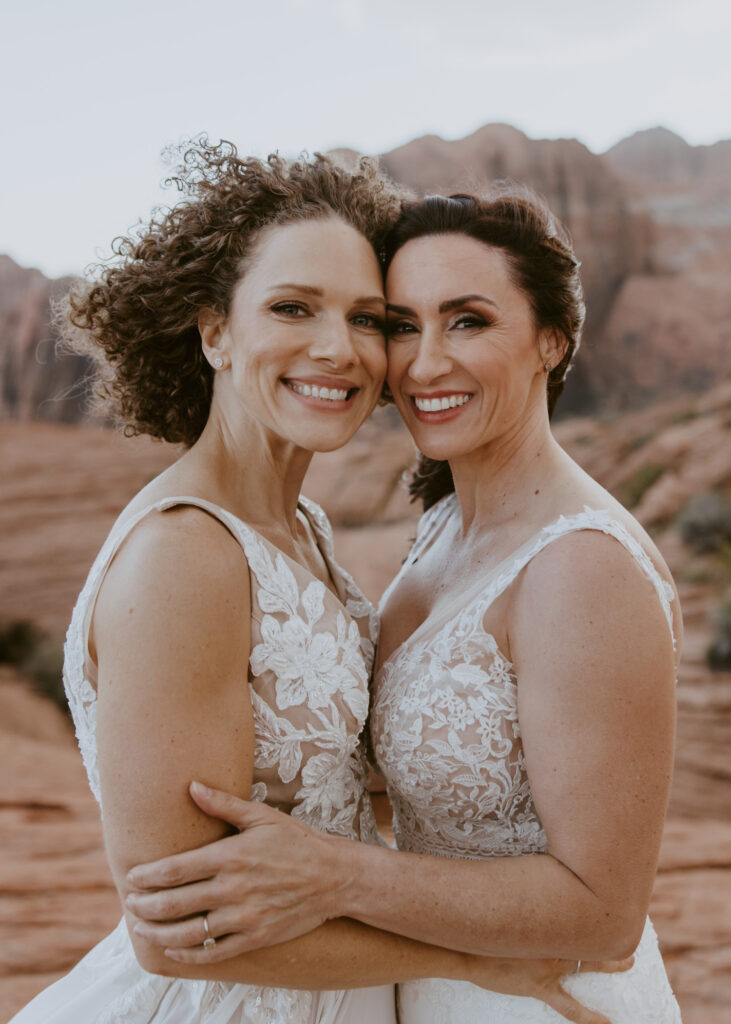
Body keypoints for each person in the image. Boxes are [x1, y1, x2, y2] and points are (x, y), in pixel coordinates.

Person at [9, 149, 620, 1024]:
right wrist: (480, 963)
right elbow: (179, 932)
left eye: (369, 319)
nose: (337, 349)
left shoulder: (302, 530)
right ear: (214, 331)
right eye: (292, 308)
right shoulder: (185, 555)